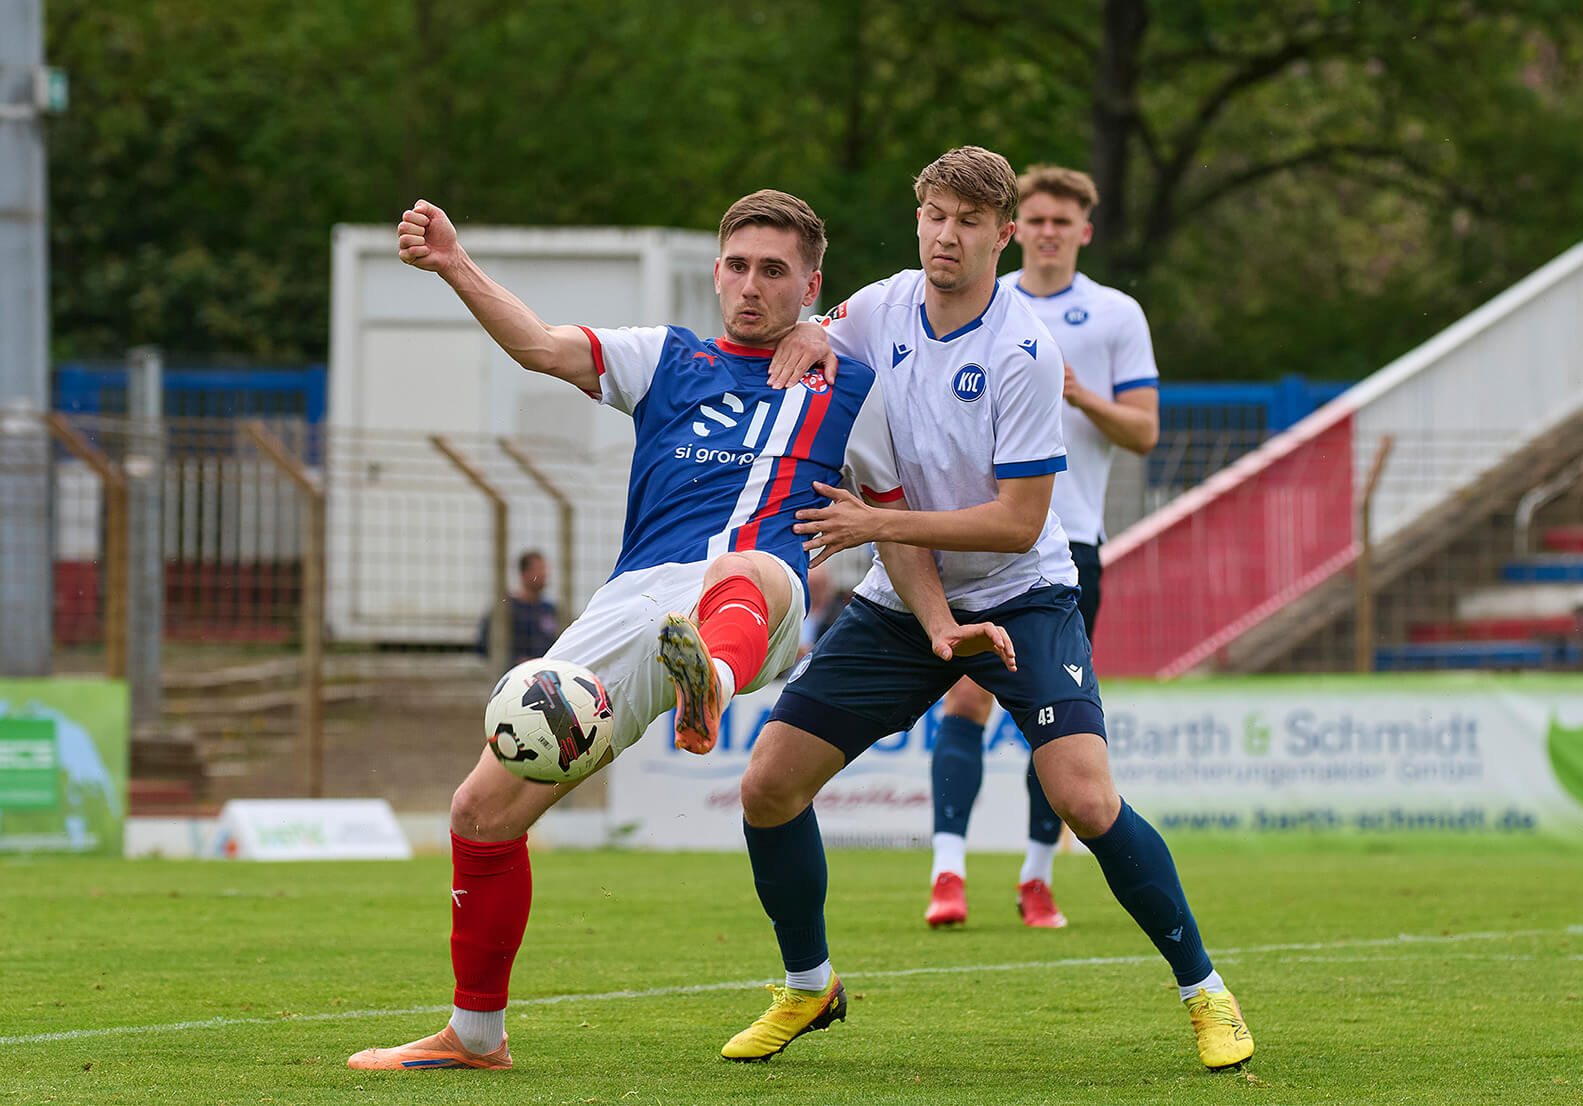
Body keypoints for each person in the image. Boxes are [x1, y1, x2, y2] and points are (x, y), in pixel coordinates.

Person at [347, 189, 1012, 1072]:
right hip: (633, 605)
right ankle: (475, 1036)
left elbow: (892, 520)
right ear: (716, 273)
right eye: (737, 266)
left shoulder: (852, 388)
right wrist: (452, 263)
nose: (751, 286)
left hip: (759, 598)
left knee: (743, 568)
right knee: (481, 810)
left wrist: (938, 624)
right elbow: (540, 346)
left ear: (811, 286)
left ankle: (713, 686)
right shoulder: (664, 357)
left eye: (773, 271)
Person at [721, 147, 1253, 1071]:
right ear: (918, 217)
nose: (947, 235)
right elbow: (811, 333)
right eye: (935, 215)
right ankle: (809, 986)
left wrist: (872, 520)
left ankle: (1205, 991)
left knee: (1084, 798)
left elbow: (1017, 524)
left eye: (969, 222)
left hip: (1024, 592)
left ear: (1002, 237)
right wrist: (805, 333)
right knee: (768, 782)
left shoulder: (1024, 351)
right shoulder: (881, 306)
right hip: (903, 597)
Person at [925, 164, 1160, 931]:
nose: (1050, 232)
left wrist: (1079, 392)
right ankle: (947, 872)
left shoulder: (1116, 313)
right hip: (974, 533)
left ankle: (1036, 876)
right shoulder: (981, 298)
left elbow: (1145, 431)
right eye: (1039, 219)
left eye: (1064, 221)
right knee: (966, 695)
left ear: (1084, 231)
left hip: (1069, 542)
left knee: (1052, 722)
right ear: (1015, 228)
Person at [475, 549, 563, 667]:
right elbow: (485, 644)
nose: (544, 574)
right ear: (524, 573)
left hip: (546, 671)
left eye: (545, 569)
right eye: (539, 569)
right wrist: (515, 660)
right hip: (514, 672)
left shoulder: (549, 610)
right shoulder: (506, 609)